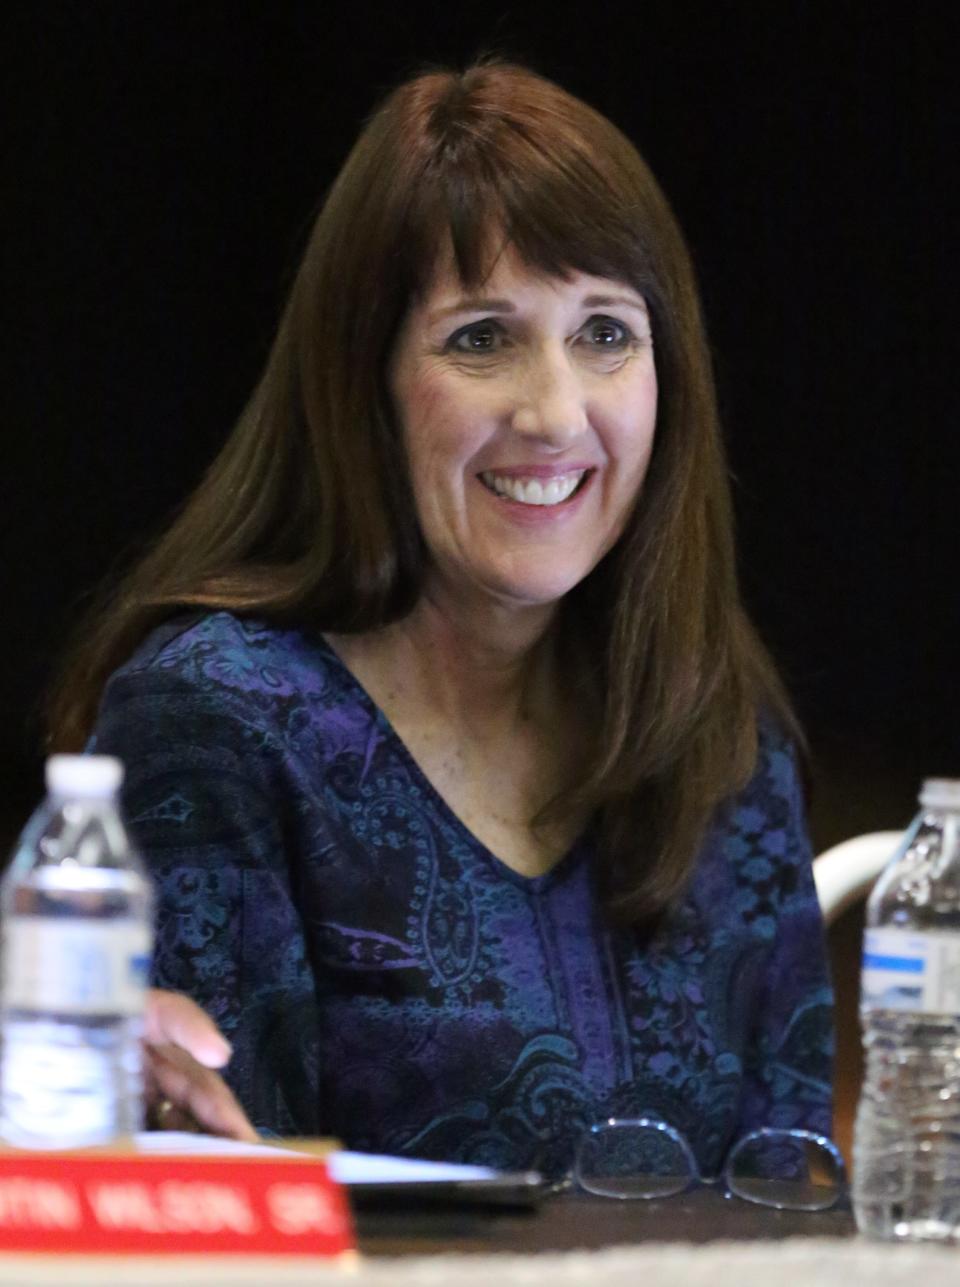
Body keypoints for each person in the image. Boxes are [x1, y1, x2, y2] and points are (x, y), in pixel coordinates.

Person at [49, 60, 833, 1172]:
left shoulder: (719, 738)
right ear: (359, 386)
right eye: (481, 338)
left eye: (605, 333)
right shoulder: (214, 727)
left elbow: (796, 1199)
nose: (554, 412)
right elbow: (218, 1213)